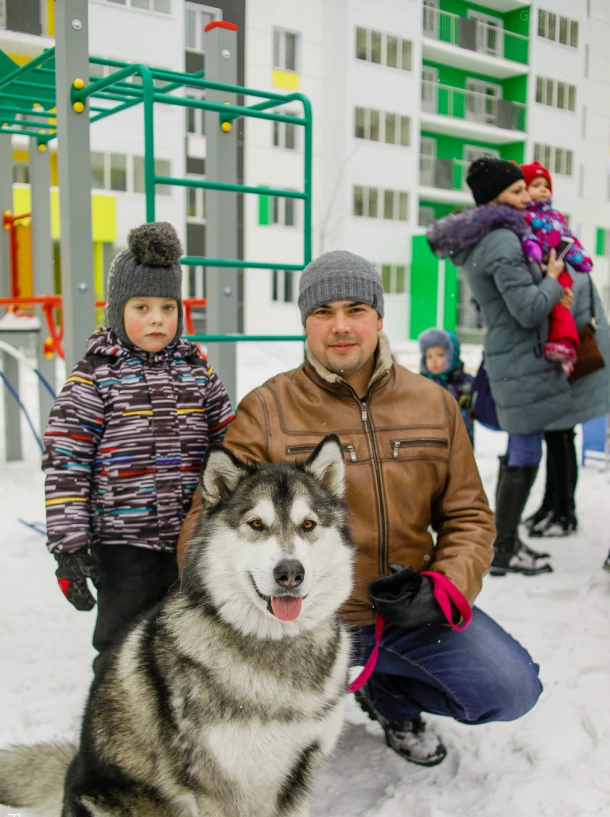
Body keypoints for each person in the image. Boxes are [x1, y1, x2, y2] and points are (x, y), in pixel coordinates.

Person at [177, 251, 543, 767]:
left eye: (355, 309)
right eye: (323, 312)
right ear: (305, 322)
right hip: (299, 614)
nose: (341, 326)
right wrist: (222, 603)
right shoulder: (268, 408)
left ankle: (388, 695)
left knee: (510, 688)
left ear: (378, 317)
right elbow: (208, 518)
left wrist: (442, 590)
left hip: (407, 609)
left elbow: (470, 516)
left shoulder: (432, 404)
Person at [43, 222, 234, 676]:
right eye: (141, 306)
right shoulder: (94, 378)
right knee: (121, 643)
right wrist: (70, 548)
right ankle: (113, 726)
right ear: (116, 311)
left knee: (188, 639)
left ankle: (176, 722)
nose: (156, 319)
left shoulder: (197, 372)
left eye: (168, 307)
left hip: (189, 541)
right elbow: (66, 464)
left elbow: (229, 441)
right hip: (122, 544)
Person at [428, 157, 575, 577]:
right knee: (526, 450)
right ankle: (505, 546)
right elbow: (527, 310)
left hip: (510, 355)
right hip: (521, 356)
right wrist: (552, 279)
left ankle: (502, 540)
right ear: (495, 198)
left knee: (520, 449)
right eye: (516, 191)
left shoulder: (485, 239)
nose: (527, 195)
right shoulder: (503, 242)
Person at [524, 273, 610, 537]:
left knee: (560, 435)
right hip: (570, 356)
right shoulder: (569, 267)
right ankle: (552, 505)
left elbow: (557, 310)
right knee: (557, 435)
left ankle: (564, 513)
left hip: (574, 359)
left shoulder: (566, 272)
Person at [520, 160, 593, 377]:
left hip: (558, 266)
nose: (543, 189)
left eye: (546, 185)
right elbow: (525, 235)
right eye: (536, 185)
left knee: (563, 304)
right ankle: (562, 344)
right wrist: (531, 246)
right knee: (552, 305)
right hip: (541, 268)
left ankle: (564, 345)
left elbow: (568, 239)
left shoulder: (555, 216)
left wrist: (580, 258)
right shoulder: (525, 215)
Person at [418, 327, 474, 445]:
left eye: (440, 355)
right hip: (428, 442)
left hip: (460, 442)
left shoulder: (465, 383)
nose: (434, 360)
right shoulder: (420, 384)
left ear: (453, 355)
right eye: (429, 356)